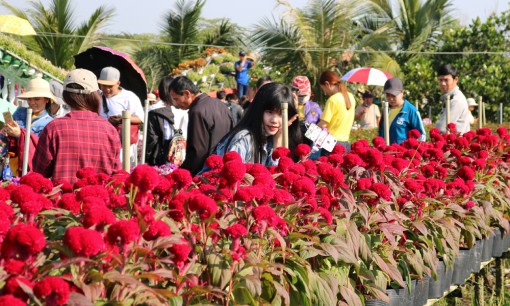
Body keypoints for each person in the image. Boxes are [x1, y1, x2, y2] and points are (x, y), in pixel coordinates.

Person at [33, 69, 121, 184]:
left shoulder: (54, 128)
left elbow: (39, 173)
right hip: (99, 199)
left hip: (61, 199)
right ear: (95, 96)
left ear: (65, 97)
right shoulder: (110, 130)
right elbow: (117, 176)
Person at [214, 82, 301, 166]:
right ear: (258, 110)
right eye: (270, 112)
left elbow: (274, 173)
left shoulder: (270, 137)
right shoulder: (244, 139)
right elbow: (232, 175)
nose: (274, 120)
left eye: (280, 114)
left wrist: (280, 135)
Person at [169, 76, 233, 175]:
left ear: (187, 93)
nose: (176, 104)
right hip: (224, 167)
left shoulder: (197, 111)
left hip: (206, 172)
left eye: (176, 99)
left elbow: (197, 151)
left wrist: (183, 172)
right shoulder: (221, 105)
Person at [3, 77, 56, 176]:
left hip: (28, 170)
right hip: (8, 166)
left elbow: (40, 149)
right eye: (29, 98)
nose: (32, 102)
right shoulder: (20, 112)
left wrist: (20, 135)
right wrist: (6, 132)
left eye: (37, 99)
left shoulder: (50, 123)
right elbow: (3, 137)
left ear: (47, 100)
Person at [97, 66, 144, 165]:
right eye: (103, 86)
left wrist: (122, 119)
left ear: (118, 83)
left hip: (123, 144)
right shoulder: (97, 97)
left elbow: (140, 119)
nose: (106, 89)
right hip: (101, 142)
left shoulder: (129, 97)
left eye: (110, 86)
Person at [378, 77, 426, 144]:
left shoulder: (411, 111)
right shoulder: (385, 109)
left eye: (393, 95)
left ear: (402, 93)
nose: (391, 99)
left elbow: (422, 135)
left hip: (403, 153)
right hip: (386, 152)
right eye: (388, 95)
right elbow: (380, 131)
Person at [317, 71, 355, 152]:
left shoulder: (333, 100)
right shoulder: (351, 97)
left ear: (327, 84)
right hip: (346, 143)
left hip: (331, 143)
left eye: (323, 88)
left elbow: (323, 124)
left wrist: (310, 131)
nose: (325, 92)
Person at [146, 77, 177, 166]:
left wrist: (148, 157)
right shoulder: (183, 109)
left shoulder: (153, 110)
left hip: (161, 155)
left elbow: (152, 138)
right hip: (182, 153)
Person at [435, 64, 470, 134]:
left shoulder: (456, 100)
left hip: (457, 143)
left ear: (456, 79)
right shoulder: (449, 97)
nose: (443, 83)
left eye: (446, 80)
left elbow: (443, 127)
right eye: (440, 80)